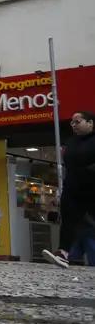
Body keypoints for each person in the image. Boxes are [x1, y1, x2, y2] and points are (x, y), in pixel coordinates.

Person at [46, 111, 95, 268]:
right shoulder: (72, 142)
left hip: (92, 186)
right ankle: (63, 253)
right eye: (72, 123)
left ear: (90, 123)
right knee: (68, 218)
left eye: (78, 121)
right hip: (73, 186)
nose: (74, 125)